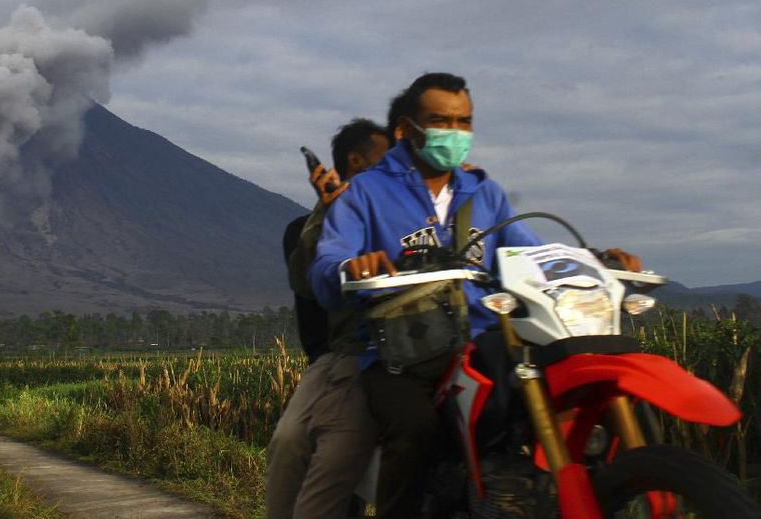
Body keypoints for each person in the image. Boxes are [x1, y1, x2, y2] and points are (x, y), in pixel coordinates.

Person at [309, 73, 640, 517]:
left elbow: (530, 250)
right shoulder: (366, 192)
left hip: (486, 340)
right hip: (404, 354)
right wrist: (350, 265)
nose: (455, 132)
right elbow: (327, 264)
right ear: (407, 128)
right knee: (416, 430)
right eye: (441, 121)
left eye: (463, 122)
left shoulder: (484, 191)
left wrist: (595, 260)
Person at [267, 118, 392, 519]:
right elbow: (307, 281)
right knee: (289, 444)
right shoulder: (310, 229)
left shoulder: (409, 217)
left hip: (418, 349)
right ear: (355, 163)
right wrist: (329, 208)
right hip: (347, 356)